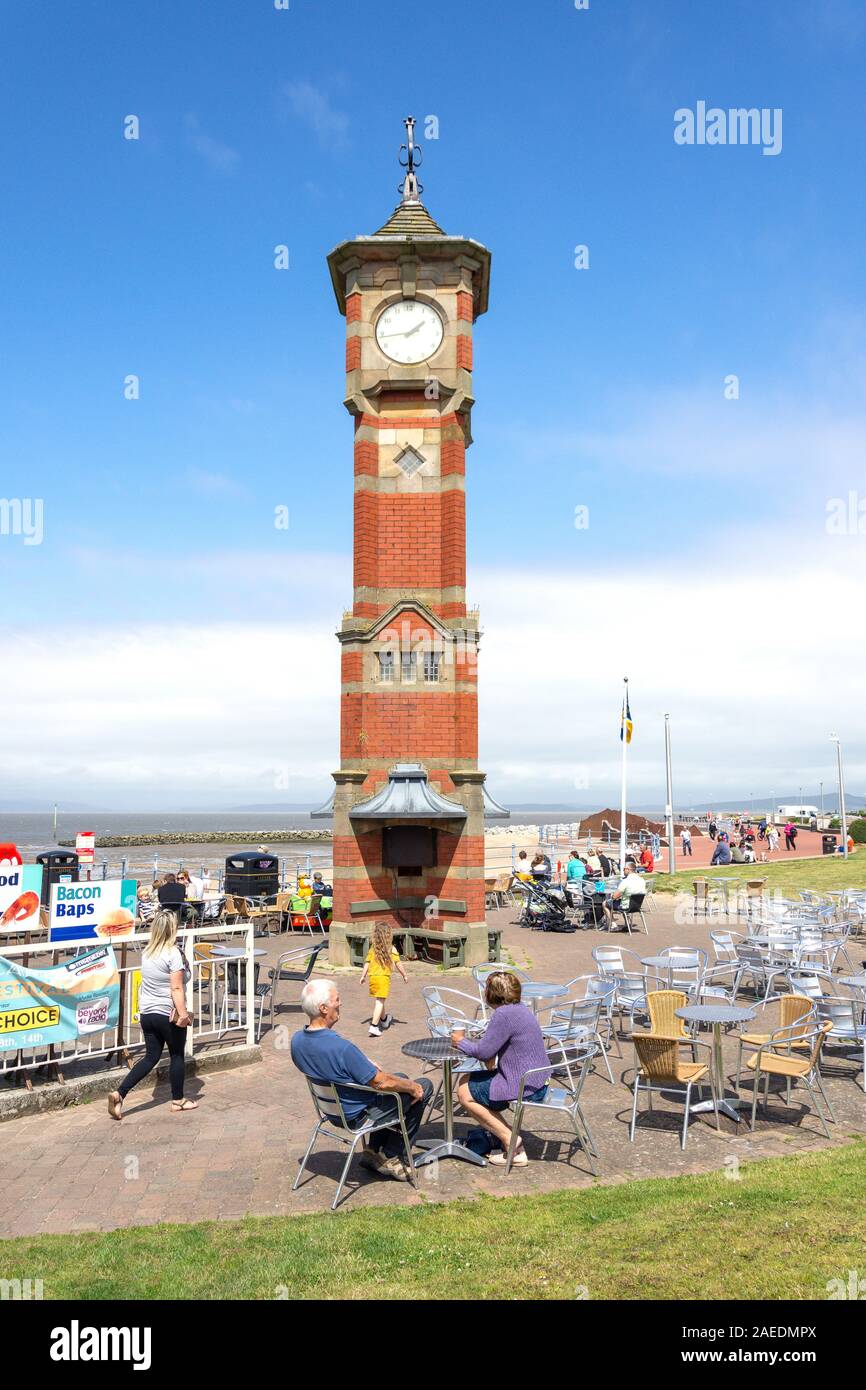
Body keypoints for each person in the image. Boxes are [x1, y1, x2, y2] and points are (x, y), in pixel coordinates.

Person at [291, 978, 432, 1183]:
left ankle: (373, 1151)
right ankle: (393, 1155)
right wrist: (413, 1087)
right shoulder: (341, 1048)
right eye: (337, 1000)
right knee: (422, 1087)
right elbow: (380, 1082)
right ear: (323, 1008)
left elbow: (328, 1067)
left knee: (400, 1077)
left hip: (332, 1111)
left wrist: (361, 1065)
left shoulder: (297, 1041)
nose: (340, 1003)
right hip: (358, 1115)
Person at [452, 971, 551, 1167]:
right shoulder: (521, 1009)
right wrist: (491, 1054)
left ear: (491, 994)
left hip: (525, 1084)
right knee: (471, 1080)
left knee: (463, 1090)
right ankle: (510, 1141)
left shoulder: (503, 1014)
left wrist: (460, 1042)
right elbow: (497, 1046)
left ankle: (510, 1139)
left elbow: (482, 1051)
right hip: (538, 1079)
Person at [107, 910, 195, 1119]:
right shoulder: (172, 953)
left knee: (150, 1057)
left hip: (147, 1012)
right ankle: (178, 1100)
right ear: (172, 929)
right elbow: (176, 988)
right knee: (176, 1055)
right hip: (167, 1012)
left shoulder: (148, 952)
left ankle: (120, 1093)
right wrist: (183, 1014)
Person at [360, 920, 408, 1037]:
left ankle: (384, 1019)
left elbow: (366, 962)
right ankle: (374, 1026)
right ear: (388, 935)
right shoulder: (391, 949)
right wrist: (404, 975)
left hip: (373, 978)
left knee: (380, 999)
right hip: (383, 978)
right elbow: (398, 964)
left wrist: (363, 975)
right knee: (379, 1002)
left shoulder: (373, 949)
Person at [604, 858, 646, 929]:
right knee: (623, 900)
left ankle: (613, 924)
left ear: (628, 869)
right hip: (637, 905)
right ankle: (627, 924)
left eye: (624, 869)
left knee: (605, 903)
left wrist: (613, 895)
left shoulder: (625, 881)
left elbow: (614, 896)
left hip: (626, 906)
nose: (623, 871)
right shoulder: (642, 880)